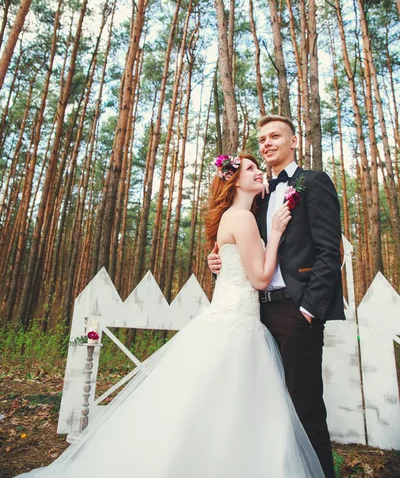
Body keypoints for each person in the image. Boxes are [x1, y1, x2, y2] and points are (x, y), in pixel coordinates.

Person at [15, 153, 324, 478]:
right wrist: (274, 234)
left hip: (230, 320)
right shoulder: (243, 219)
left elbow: (237, 265)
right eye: (250, 168)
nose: (258, 172)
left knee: (206, 409)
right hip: (238, 325)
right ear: (233, 181)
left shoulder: (238, 217)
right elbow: (260, 279)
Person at [208, 116, 345, 478]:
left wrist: (309, 309)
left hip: (294, 311)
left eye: (275, 136)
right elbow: (243, 249)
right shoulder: (258, 193)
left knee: (304, 408)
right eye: (262, 138)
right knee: (263, 409)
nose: (267, 143)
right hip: (255, 314)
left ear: (294, 140)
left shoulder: (313, 182)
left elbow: (330, 252)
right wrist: (217, 263)